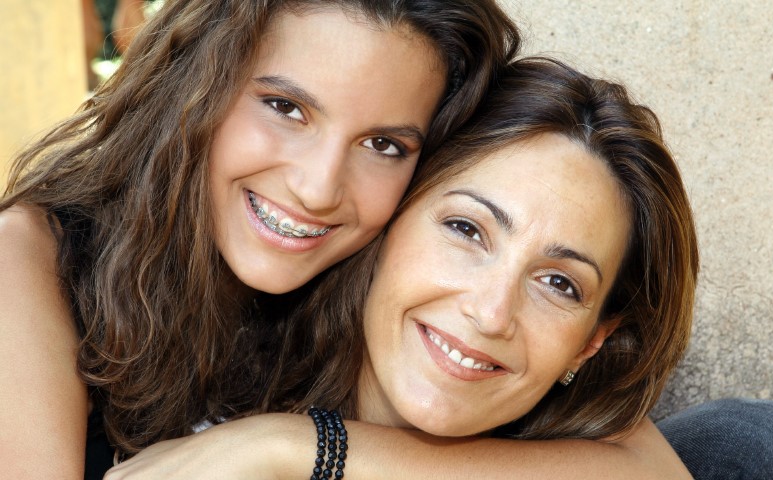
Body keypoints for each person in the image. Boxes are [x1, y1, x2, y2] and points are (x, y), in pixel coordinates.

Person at [106, 57, 773, 480]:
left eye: (559, 284)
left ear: (590, 340)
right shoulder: (193, 421)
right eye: (466, 229)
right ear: (387, 221)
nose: (491, 312)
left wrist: (301, 448)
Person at [0, 0, 520, 478]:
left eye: (382, 144)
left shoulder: (381, 305)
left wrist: (291, 445)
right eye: (285, 107)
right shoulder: (28, 258)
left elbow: (599, 464)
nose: (317, 189)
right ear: (195, 84)